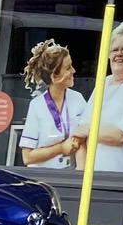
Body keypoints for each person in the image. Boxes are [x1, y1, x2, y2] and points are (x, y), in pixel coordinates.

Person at [76, 23, 123, 174]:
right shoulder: (103, 83)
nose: (119, 54)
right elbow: (79, 135)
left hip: (120, 177)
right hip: (90, 176)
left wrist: (88, 130)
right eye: (115, 49)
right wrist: (81, 172)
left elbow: (120, 135)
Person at [17, 39, 87, 169]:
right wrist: (61, 148)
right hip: (43, 177)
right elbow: (27, 157)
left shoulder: (78, 99)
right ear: (55, 77)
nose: (73, 70)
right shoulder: (36, 106)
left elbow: (84, 139)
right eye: (68, 68)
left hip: (71, 176)